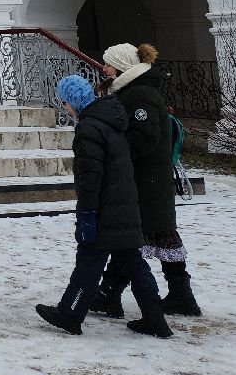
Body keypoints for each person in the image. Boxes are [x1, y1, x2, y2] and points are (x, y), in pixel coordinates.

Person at [36, 75, 173, 339]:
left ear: (73, 100)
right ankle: (155, 318)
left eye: (64, 102)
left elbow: (90, 177)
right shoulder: (112, 121)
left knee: (89, 262)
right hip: (124, 204)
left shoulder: (89, 128)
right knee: (134, 263)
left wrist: (88, 213)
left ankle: (70, 314)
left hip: (104, 208)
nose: (64, 107)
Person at [91, 42, 202, 318]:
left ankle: (111, 294)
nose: (104, 68)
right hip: (147, 179)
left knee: (137, 235)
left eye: (108, 64)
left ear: (122, 66)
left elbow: (144, 139)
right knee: (150, 234)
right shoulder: (134, 90)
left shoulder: (141, 94)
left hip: (146, 180)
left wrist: (111, 142)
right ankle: (177, 294)